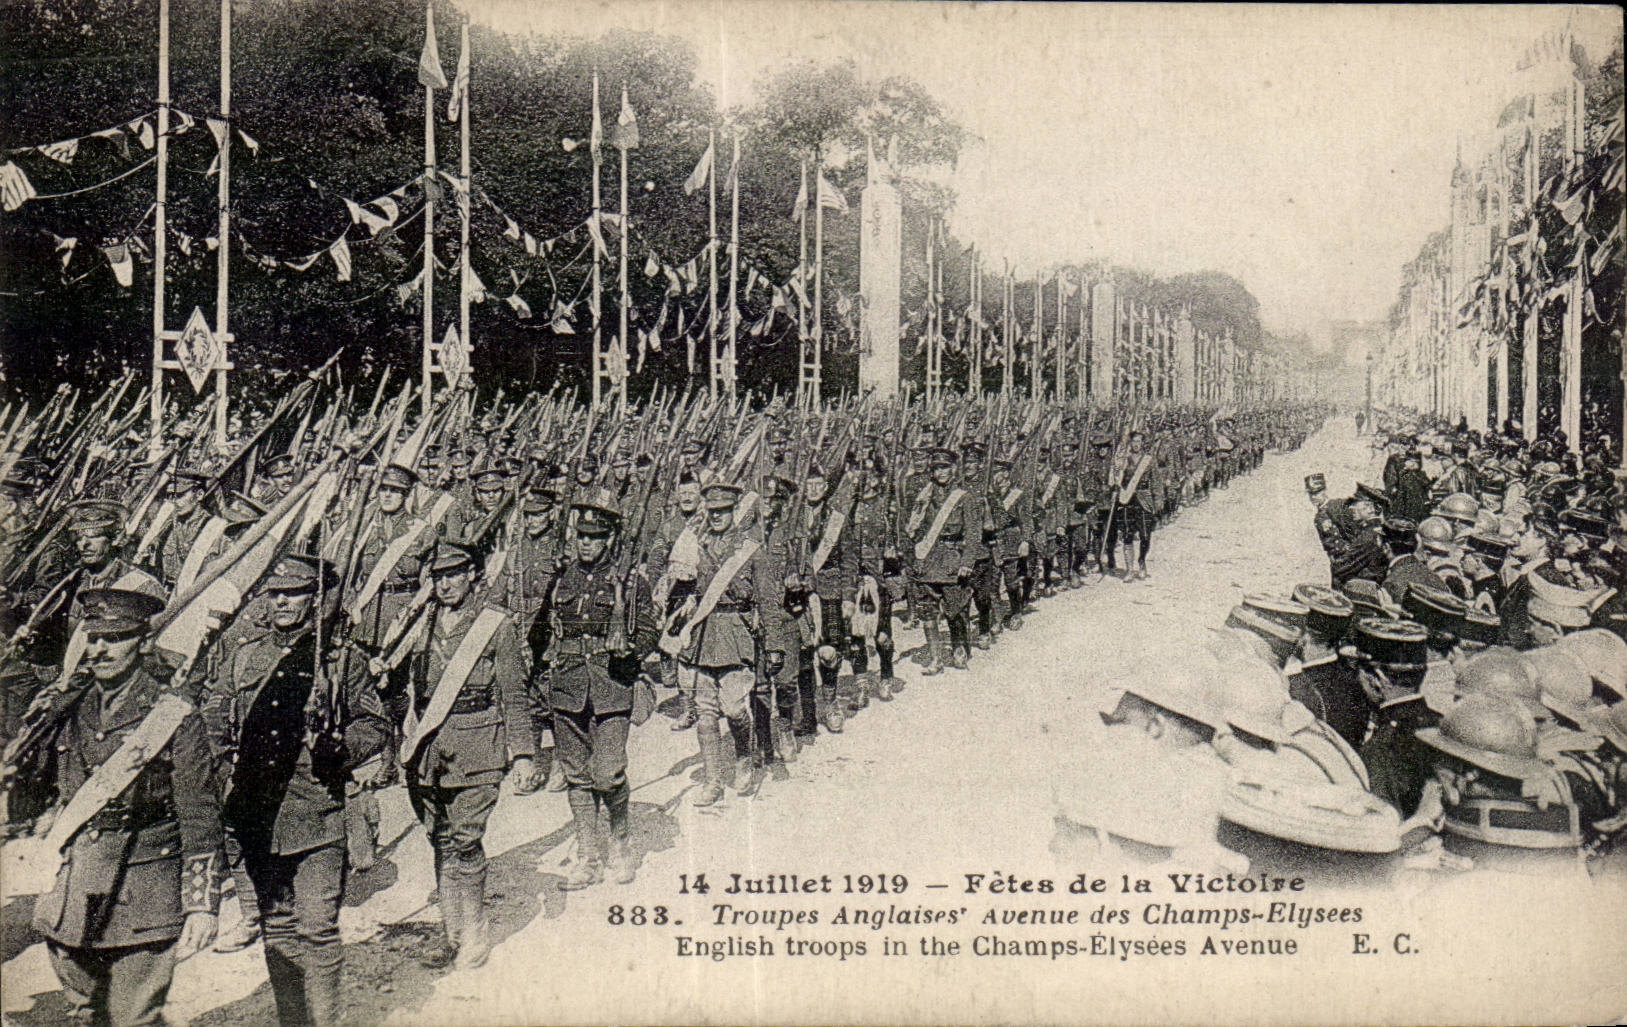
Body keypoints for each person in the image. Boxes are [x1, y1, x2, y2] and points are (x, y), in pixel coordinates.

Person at [15, 588, 222, 1027]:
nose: (100, 649)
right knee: (85, 1012)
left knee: (133, 1018)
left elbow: (199, 813)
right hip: (75, 886)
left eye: (116, 638)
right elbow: (40, 792)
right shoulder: (70, 704)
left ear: (144, 641)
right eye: (93, 638)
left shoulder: (172, 715)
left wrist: (202, 904)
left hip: (144, 882)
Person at [204, 555, 389, 1027]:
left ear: (315, 599)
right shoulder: (245, 655)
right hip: (257, 810)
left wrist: (338, 747)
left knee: (318, 928)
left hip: (317, 811)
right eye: (276, 594)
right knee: (278, 927)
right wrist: (228, 766)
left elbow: (375, 724)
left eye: (295, 594)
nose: (283, 602)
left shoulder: (340, 659)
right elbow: (213, 719)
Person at [381, 541, 534, 971]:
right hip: (427, 747)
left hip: (477, 744)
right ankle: (450, 932)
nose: (444, 584)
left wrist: (522, 753)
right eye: (438, 576)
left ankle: (474, 930)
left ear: (472, 575)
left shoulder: (495, 624)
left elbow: (514, 693)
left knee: (466, 838)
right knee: (440, 838)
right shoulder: (419, 624)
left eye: (454, 574)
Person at [533, 490, 654, 888]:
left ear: (609, 541)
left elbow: (650, 630)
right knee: (577, 776)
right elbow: (539, 631)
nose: (586, 543)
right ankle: (588, 853)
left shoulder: (629, 581)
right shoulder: (560, 577)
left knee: (608, 774)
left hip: (611, 686)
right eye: (581, 536)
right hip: (567, 686)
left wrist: (632, 649)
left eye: (595, 537)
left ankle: (619, 841)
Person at [663, 483, 769, 807]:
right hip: (704, 636)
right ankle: (712, 780)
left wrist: (772, 640)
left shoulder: (750, 548)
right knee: (706, 713)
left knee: (735, 708)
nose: (718, 517)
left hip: (736, 634)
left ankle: (743, 757)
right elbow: (687, 586)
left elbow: (765, 598)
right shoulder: (698, 544)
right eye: (713, 512)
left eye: (724, 511)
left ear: (734, 512)